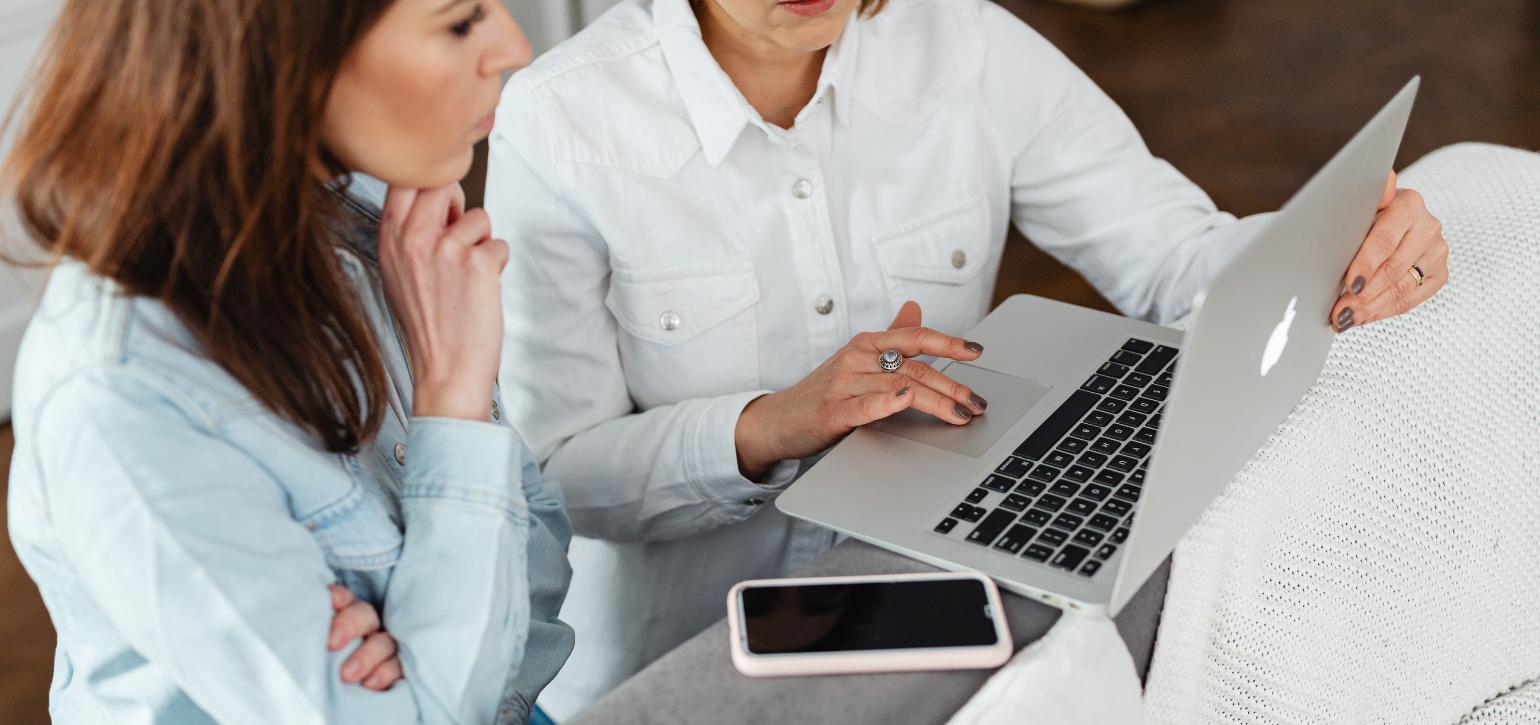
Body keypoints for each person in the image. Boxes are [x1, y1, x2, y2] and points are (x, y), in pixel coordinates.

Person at [484, 0, 1448, 714]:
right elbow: (557, 477)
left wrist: (1341, 244)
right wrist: (772, 423)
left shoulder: (970, 45)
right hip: (693, 648)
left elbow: (1177, 256)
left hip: (950, 596)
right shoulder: (561, 122)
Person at [3, 0, 573, 722]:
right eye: (460, 20)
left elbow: (540, 575)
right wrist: (453, 395)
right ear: (286, 52)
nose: (513, 47)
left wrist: (428, 647)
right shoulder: (120, 395)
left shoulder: (381, 224)